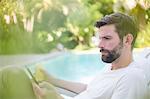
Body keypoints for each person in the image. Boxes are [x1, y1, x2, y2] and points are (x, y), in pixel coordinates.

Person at [0, 13, 149, 99]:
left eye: (107, 39)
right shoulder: (112, 68)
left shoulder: (131, 78)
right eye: (100, 38)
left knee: (12, 74)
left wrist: (56, 98)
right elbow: (89, 89)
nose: (99, 44)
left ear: (127, 39)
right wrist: (52, 80)